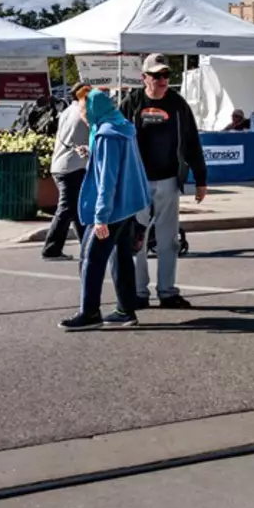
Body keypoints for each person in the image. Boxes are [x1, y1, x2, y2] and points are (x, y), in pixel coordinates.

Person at [116, 57, 207, 310]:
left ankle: (167, 292)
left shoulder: (177, 104)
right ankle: (138, 292)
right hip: (137, 181)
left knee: (169, 239)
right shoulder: (132, 103)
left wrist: (201, 179)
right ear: (144, 77)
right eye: (156, 76)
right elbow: (117, 138)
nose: (162, 80)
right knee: (138, 239)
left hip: (168, 180)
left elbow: (192, 141)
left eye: (166, 75)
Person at [60, 90, 150, 330]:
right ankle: (125, 309)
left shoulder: (106, 135)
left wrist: (100, 218)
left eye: (83, 109)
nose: (82, 115)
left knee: (90, 258)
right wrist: (92, 154)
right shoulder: (121, 127)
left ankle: (89, 313)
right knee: (121, 258)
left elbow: (107, 180)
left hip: (111, 209)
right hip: (126, 205)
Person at [41, 84, 92, 260]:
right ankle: (51, 248)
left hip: (61, 165)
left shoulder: (68, 111)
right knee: (67, 208)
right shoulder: (83, 115)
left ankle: (87, 246)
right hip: (73, 166)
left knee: (77, 210)